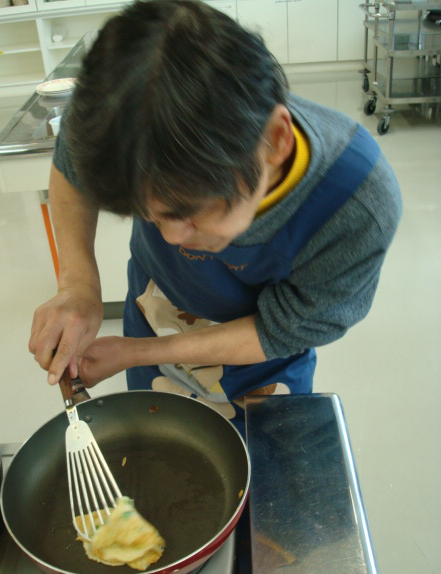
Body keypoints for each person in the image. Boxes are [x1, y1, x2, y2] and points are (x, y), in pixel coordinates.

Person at [29, 0, 402, 433]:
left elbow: (278, 330)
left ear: (277, 140)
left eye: (188, 213)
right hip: (157, 308)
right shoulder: (122, 119)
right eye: (148, 215)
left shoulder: (354, 204)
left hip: (261, 358)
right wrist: (78, 285)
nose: (170, 238)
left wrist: (135, 353)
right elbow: (70, 164)